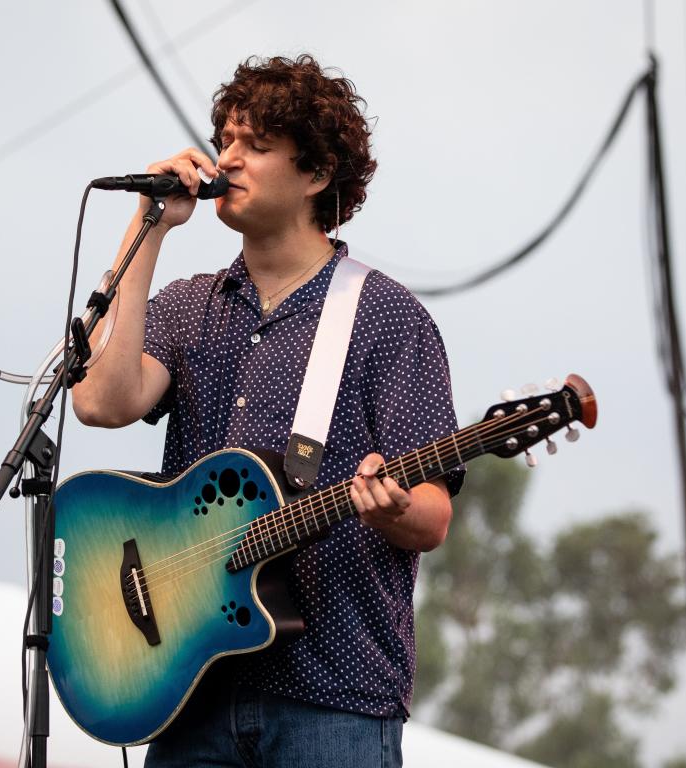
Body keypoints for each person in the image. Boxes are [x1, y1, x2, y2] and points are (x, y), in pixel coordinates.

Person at [71, 54, 463, 767]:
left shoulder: (387, 318)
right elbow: (100, 402)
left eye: (255, 144)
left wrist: (390, 508)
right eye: (224, 140)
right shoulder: (190, 306)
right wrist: (148, 228)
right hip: (189, 691)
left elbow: (433, 515)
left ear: (315, 174)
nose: (228, 158)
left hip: (333, 699)